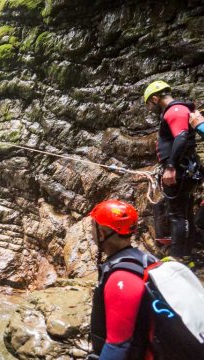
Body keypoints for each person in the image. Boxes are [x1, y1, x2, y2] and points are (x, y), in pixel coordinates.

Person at [89, 199, 155, 360]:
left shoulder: (121, 277)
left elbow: (118, 345)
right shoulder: (145, 259)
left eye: (93, 226)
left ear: (102, 233)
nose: (91, 231)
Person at [144, 80, 199, 259]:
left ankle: (176, 261)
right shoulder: (180, 110)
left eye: (149, 105)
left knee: (177, 216)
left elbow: (181, 137)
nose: (150, 109)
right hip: (186, 169)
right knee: (185, 213)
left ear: (155, 98)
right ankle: (185, 258)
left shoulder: (175, 110)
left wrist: (170, 167)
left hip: (180, 170)